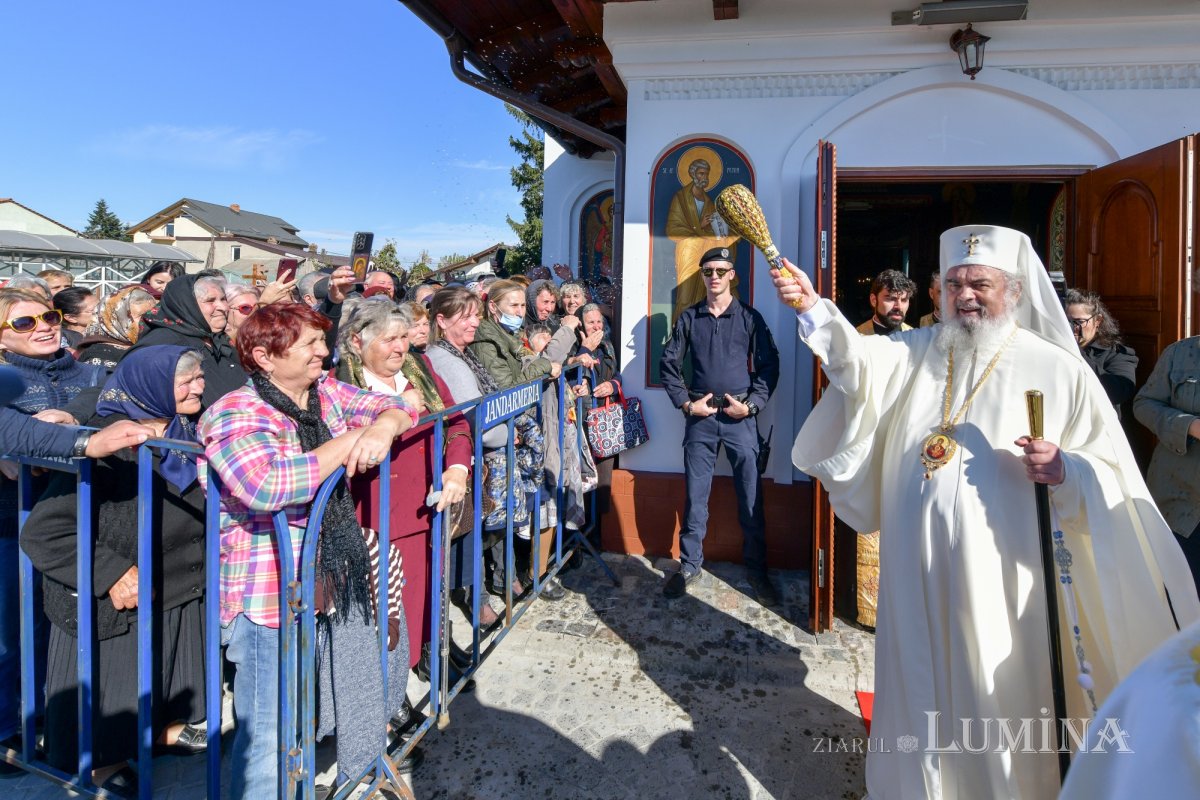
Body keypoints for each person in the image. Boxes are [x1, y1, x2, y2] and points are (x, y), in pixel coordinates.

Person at [773, 225, 1199, 800]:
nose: (965, 295)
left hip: (1003, 583)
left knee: (992, 693)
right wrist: (815, 308)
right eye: (952, 284)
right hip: (915, 572)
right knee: (916, 688)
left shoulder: (1059, 370)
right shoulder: (919, 349)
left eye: (980, 283)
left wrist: (1067, 470)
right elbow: (859, 362)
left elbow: (1111, 471)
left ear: (1015, 292)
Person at [199, 303, 419, 798]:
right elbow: (266, 484)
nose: (326, 352)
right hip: (267, 596)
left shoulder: (322, 391)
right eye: (311, 345)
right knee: (268, 730)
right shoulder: (235, 411)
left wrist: (382, 427)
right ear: (264, 356)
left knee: (300, 712)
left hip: (322, 579)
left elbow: (405, 401)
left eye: (323, 341)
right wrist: (347, 445)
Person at [21, 346, 209, 790]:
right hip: (112, 594)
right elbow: (44, 533)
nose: (200, 386)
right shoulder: (107, 442)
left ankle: (159, 730)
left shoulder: (184, 429)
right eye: (187, 380)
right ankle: (98, 763)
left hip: (173, 583)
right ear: (152, 387)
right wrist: (110, 573)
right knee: (112, 684)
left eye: (200, 376)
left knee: (163, 671)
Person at [337, 299, 484, 693]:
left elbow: (455, 421)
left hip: (429, 506)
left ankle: (428, 659)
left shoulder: (420, 368)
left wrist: (457, 467)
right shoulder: (340, 384)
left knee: (427, 594)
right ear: (356, 341)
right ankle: (390, 694)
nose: (401, 347)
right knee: (386, 610)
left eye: (404, 337)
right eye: (389, 340)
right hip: (378, 516)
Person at [0, 289, 105, 748]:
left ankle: (73, 722)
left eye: (49, 315)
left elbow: (120, 397)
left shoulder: (92, 370)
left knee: (78, 624)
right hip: (14, 525)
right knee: (16, 634)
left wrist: (72, 415)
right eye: (24, 323)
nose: (44, 326)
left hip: (89, 522)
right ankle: (11, 728)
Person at [660, 246, 781, 604]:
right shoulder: (689, 318)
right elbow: (669, 364)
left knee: (751, 496)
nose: (713, 277)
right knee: (696, 497)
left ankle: (758, 571)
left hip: (739, 416)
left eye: (720, 271)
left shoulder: (749, 318)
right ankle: (689, 566)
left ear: (732, 275)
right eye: (708, 271)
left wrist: (753, 407)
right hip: (703, 416)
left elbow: (769, 365)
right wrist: (686, 403)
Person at [426, 287, 543, 600]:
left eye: (476, 316)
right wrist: (509, 435)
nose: (474, 323)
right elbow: (476, 417)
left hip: (486, 456)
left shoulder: (461, 353)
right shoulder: (446, 360)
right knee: (471, 535)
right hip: (474, 458)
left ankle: (486, 595)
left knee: (483, 533)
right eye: (465, 317)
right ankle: (475, 602)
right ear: (441, 319)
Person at [471, 280, 568, 600]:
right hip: (499, 436)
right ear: (494, 307)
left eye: (521, 306)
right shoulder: (487, 338)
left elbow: (525, 360)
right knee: (501, 512)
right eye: (513, 306)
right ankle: (499, 580)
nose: (519, 312)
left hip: (519, 433)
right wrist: (546, 366)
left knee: (518, 507)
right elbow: (507, 383)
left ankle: (512, 574)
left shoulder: (509, 335)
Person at [1134, 334, 1200, 584]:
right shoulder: (1178, 353)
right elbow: (1144, 405)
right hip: (1180, 505)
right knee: (1179, 601)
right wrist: (1190, 426)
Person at [130, 271, 244, 407]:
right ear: (186, 305)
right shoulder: (164, 345)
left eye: (223, 299)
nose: (223, 307)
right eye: (210, 300)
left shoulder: (218, 340)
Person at [665, 157, 740, 323]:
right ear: (692, 174)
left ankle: (699, 327)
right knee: (686, 294)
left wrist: (721, 230)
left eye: (706, 173)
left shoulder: (709, 202)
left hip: (706, 254)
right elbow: (673, 229)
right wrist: (700, 226)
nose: (704, 177)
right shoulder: (681, 198)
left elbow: (714, 230)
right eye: (701, 173)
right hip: (688, 252)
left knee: (704, 294)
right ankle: (680, 331)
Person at [1065, 287, 1138, 416]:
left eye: (1079, 322)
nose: (1072, 328)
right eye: (1067, 322)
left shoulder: (1117, 353)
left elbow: (1118, 393)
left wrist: (1076, 352)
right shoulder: (1054, 348)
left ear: (1097, 321)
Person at [76, 285, 158, 372]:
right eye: (141, 316)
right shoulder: (99, 357)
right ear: (116, 319)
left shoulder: (150, 344)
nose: (150, 320)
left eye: (152, 315)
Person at [856, 269, 915, 335]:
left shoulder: (914, 337)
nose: (899, 307)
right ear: (874, 300)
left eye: (904, 300)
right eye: (891, 299)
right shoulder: (856, 338)